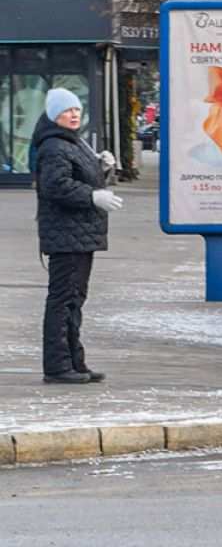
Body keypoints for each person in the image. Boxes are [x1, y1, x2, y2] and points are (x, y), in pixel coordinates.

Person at [34, 88, 123, 384]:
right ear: (53, 115)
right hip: (66, 234)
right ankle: (58, 366)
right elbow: (56, 186)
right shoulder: (54, 146)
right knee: (63, 299)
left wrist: (102, 169)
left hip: (79, 233)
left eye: (76, 110)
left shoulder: (73, 141)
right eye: (66, 111)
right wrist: (92, 196)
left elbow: (79, 177)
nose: (73, 115)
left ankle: (74, 361)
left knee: (74, 299)